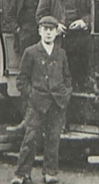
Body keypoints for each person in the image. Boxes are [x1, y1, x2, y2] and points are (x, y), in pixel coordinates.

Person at [12, 16, 72, 184]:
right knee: (30, 138)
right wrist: (31, 95)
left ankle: (50, 172)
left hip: (57, 103)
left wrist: (65, 94)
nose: (48, 33)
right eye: (45, 29)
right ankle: (22, 174)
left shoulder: (61, 53)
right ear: (39, 31)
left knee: (53, 138)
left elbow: (67, 78)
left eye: (51, 29)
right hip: (36, 103)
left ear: (56, 32)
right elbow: (22, 79)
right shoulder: (30, 52)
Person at [37, 0, 94, 91]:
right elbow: (40, 15)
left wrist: (84, 21)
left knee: (79, 75)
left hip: (79, 39)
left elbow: (93, 13)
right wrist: (55, 25)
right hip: (57, 39)